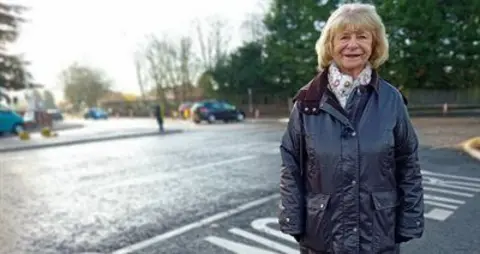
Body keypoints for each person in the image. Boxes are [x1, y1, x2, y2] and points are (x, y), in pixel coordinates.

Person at [279, 3, 424, 254]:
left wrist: (410, 219)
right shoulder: (307, 101)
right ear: (330, 45)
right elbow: (291, 165)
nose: (353, 45)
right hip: (322, 235)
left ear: (374, 44)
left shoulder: (391, 100)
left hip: (378, 234)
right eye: (344, 37)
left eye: (362, 36)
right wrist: (293, 217)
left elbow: (408, 163)